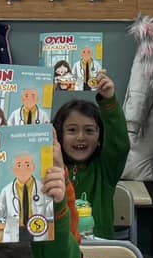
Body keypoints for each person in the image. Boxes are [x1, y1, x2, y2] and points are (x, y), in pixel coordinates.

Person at [53, 71, 129, 238]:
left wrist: (108, 100)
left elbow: (120, 143)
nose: (80, 137)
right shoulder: (51, 171)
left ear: (100, 138)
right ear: (58, 135)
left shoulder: (105, 171)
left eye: (89, 130)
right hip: (62, 250)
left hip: (99, 250)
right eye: (72, 130)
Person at [0, 151, 52, 243]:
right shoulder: (6, 190)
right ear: (14, 170)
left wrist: (56, 200)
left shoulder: (43, 188)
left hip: (36, 229)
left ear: (34, 168)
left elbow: (50, 209)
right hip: (14, 232)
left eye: (27, 165)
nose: (23, 169)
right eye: (19, 165)